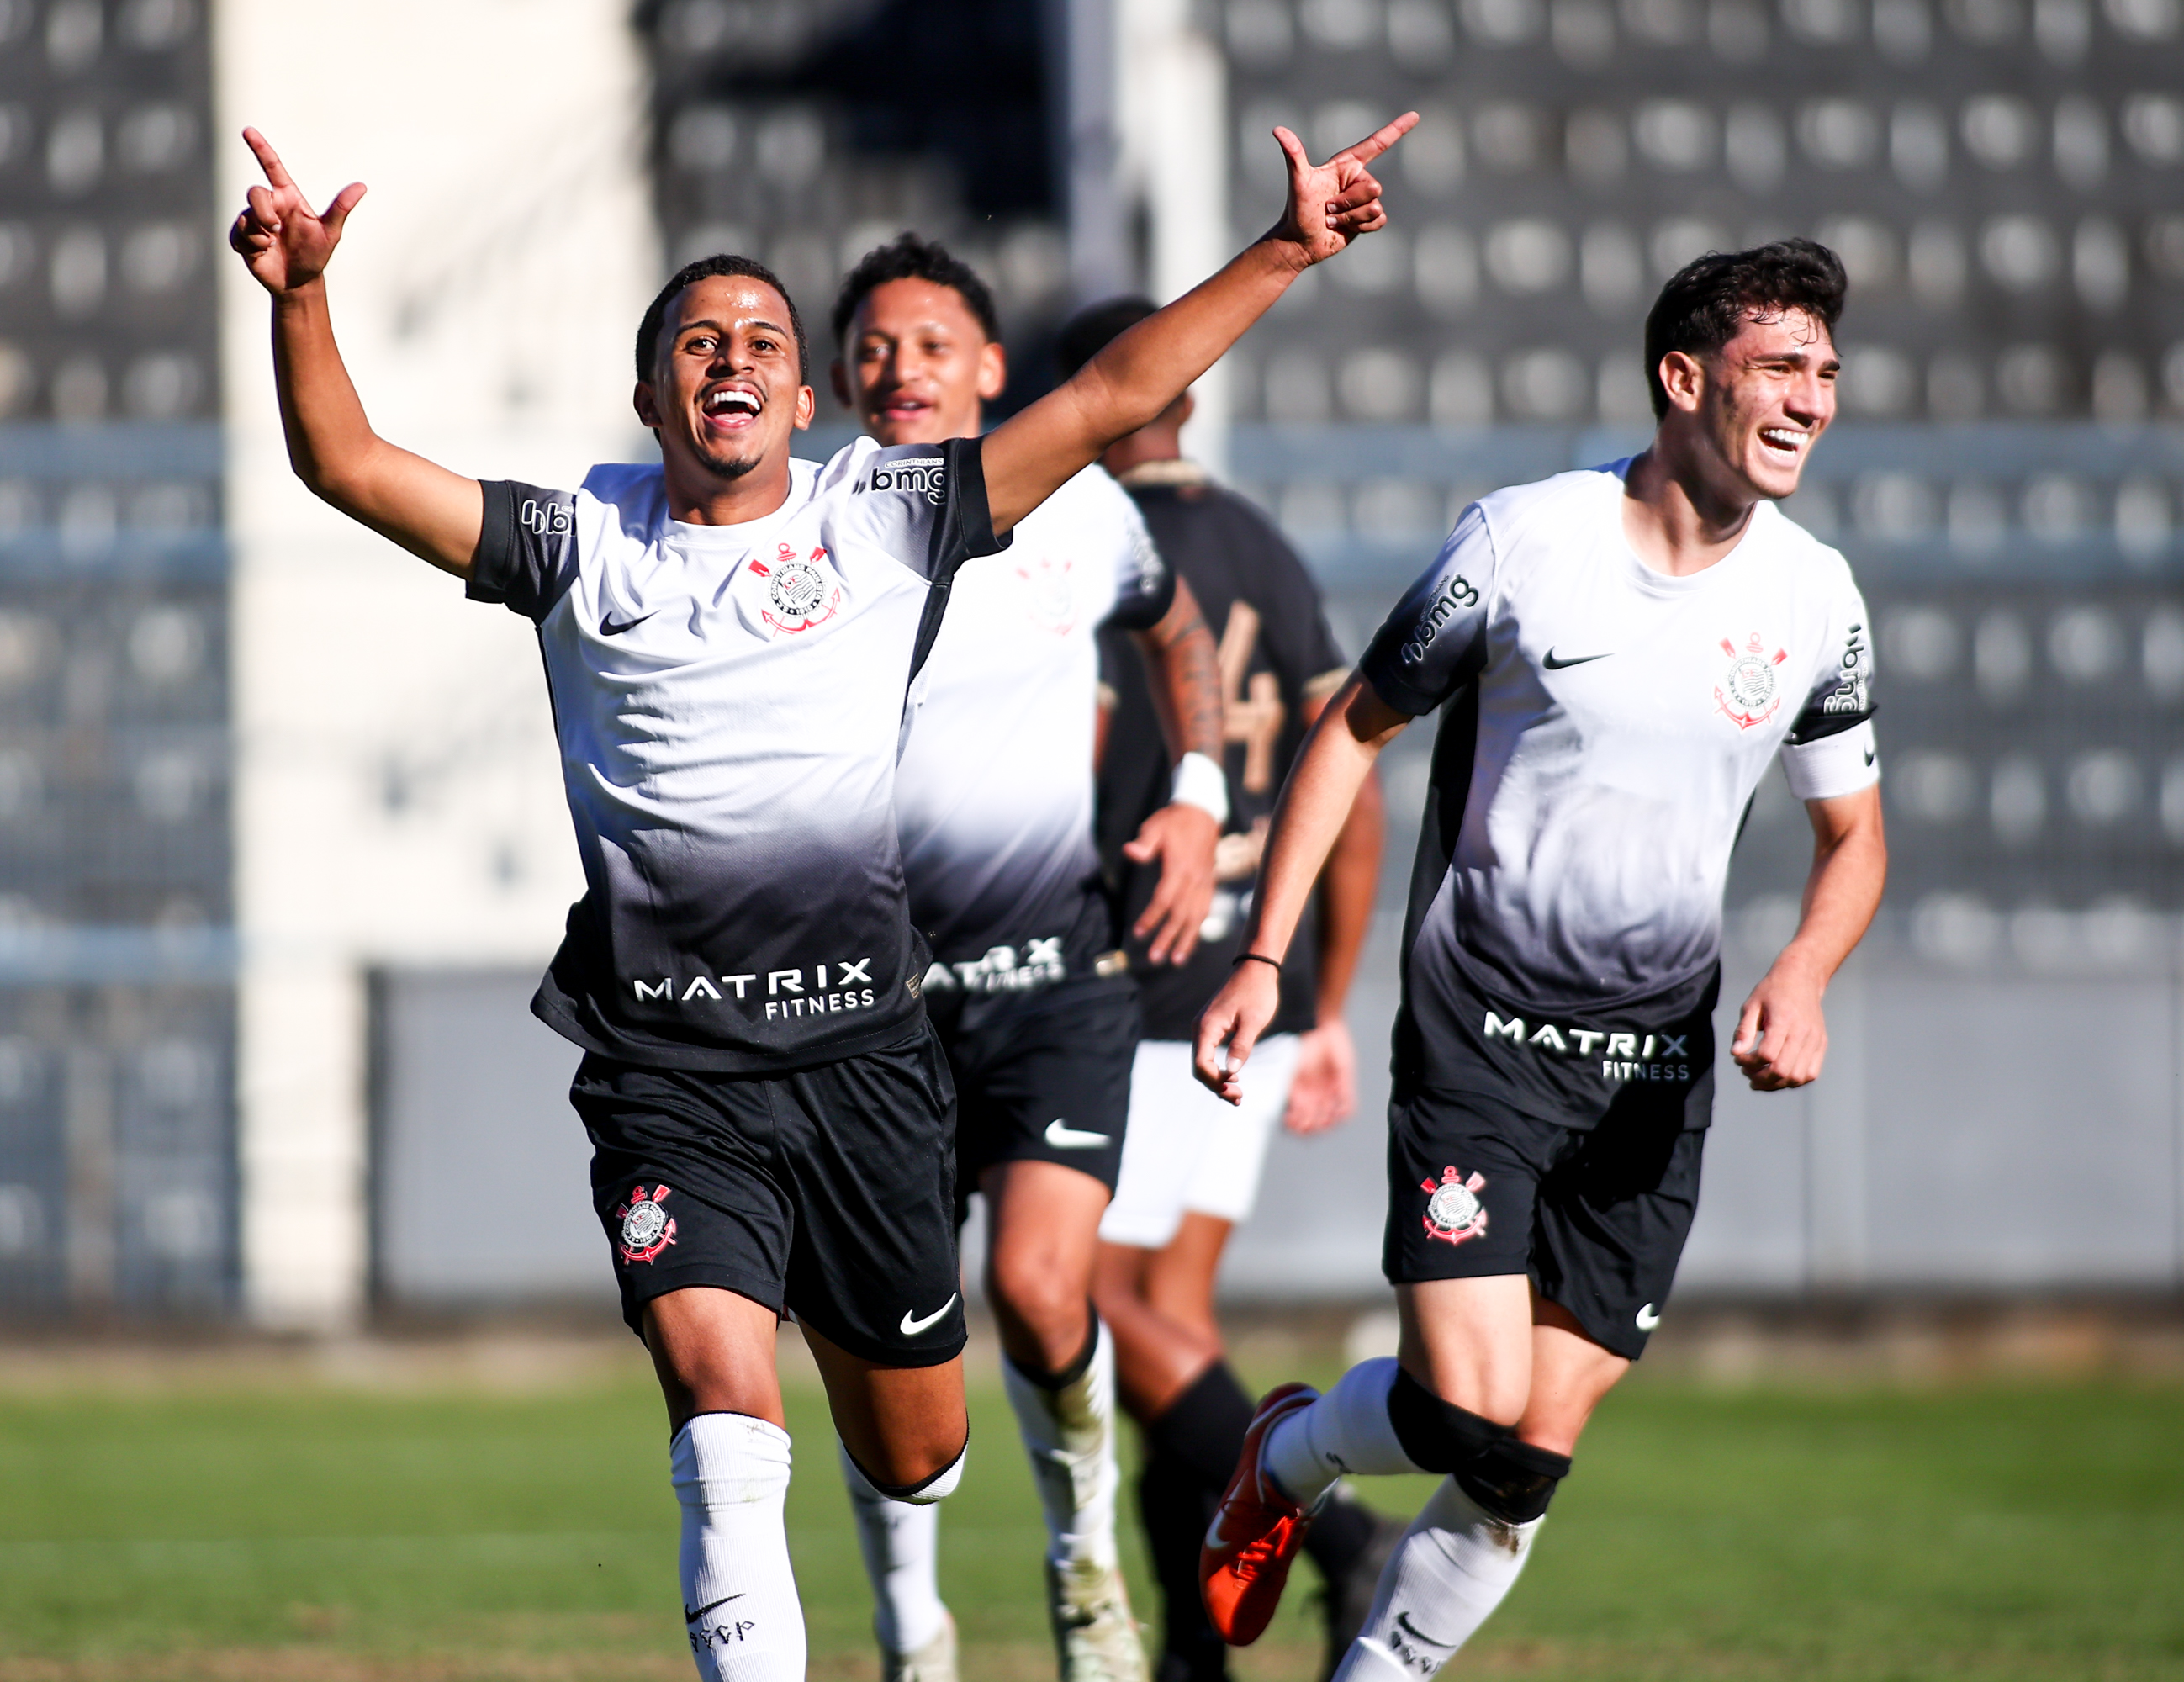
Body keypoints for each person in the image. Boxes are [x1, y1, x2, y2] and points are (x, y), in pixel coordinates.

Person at [225, 109, 1415, 1682]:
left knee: (917, 1452)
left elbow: (1116, 393)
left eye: (763, 339)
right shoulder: (577, 539)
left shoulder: (885, 516)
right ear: (649, 392)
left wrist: (1287, 245)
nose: (732, 354)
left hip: (865, 1065)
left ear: (802, 395)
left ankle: (997, 1556)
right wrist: (300, 298)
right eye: (698, 338)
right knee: (726, 1418)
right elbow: (348, 464)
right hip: (671, 1075)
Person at [1191, 240, 1886, 1680]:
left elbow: (1855, 840)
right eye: (1779, 367)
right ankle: (1287, 1453)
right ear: (1681, 379)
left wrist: (1805, 970)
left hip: (1653, 1073)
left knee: (1526, 1460)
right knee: (1465, 1407)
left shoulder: (1816, 596)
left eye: (1824, 370)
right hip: (1482, 1042)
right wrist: (1268, 954)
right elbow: (1349, 734)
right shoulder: (1522, 544)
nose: (1813, 398)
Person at [824, 235, 1226, 1682]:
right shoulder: (808, 535)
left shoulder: (1084, 517)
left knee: (1047, 1291)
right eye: (873, 345)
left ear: (992, 372)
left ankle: (1081, 1560)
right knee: (887, 1348)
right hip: (865, 1011)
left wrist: (1197, 799)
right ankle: (909, 1624)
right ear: (837, 379)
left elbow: (1177, 631)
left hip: (1052, 977)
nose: (901, 366)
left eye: (932, 343)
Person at [1047, 298, 1396, 1682]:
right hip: (1256, 982)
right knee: (1168, 1327)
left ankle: (1331, 1528)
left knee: (1078, 1297)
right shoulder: (1264, 545)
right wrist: (1322, 1002)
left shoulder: (1093, 552)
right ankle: (1197, 1651)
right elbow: (1352, 789)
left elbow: (1061, 771)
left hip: (1140, 981)